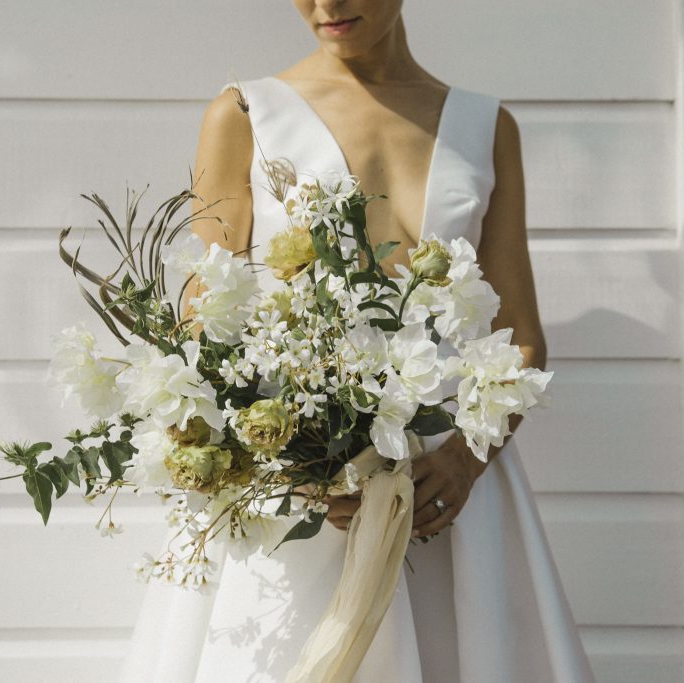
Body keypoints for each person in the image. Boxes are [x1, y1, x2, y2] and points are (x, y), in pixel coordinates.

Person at [118, 1, 597, 680]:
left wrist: (464, 458)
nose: (327, 4)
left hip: (447, 496)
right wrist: (300, 472)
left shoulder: (488, 129)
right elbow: (205, 329)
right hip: (296, 494)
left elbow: (520, 337)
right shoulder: (244, 116)